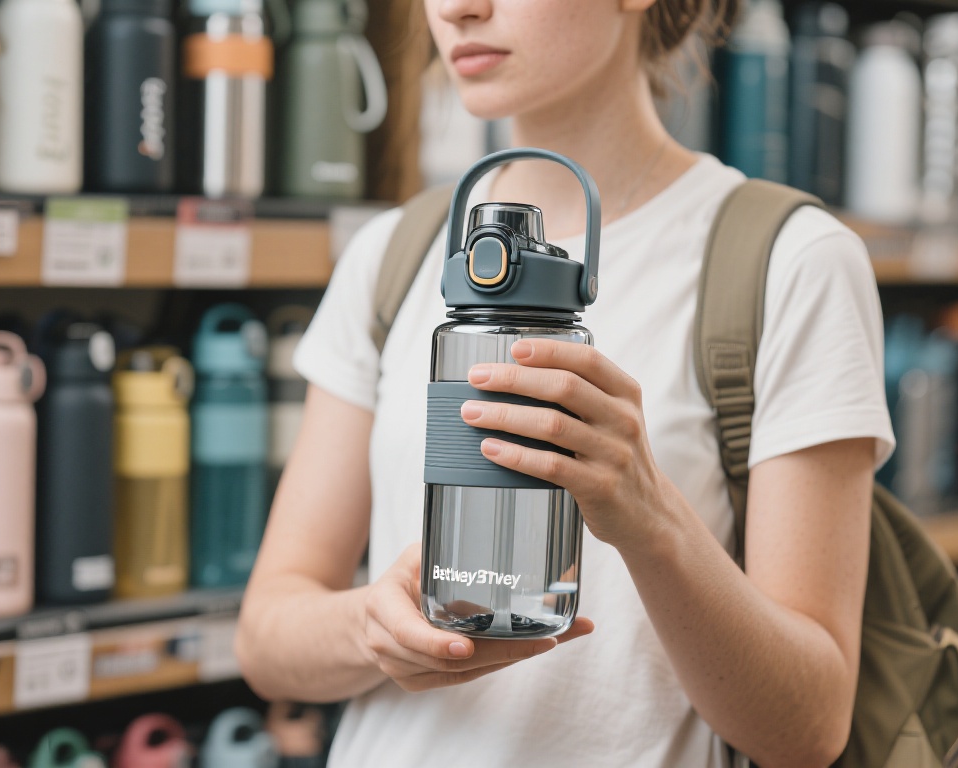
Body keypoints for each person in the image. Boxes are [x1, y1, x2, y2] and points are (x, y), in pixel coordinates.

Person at [236, 1, 895, 766]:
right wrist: (371, 628)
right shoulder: (395, 253)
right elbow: (266, 638)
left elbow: (808, 728)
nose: (456, 9)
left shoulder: (791, 263)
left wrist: (652, 524)